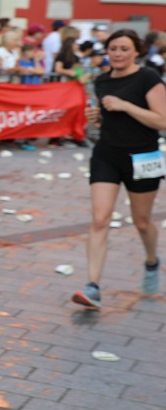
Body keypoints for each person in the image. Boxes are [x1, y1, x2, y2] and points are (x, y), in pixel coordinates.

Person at [75, 29, 166, 309]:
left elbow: (162, 120)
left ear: (136, 51)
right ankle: (92, 287)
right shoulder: (102, 80)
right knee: (100, 219)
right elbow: (108, 121)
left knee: (141, 222)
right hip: (107, 155)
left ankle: (151, 262)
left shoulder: (148, 78)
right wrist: (97, 119)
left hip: (142, 157)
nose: (117, 53)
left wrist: (125, 105)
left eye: (124, 49)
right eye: (113, 48)